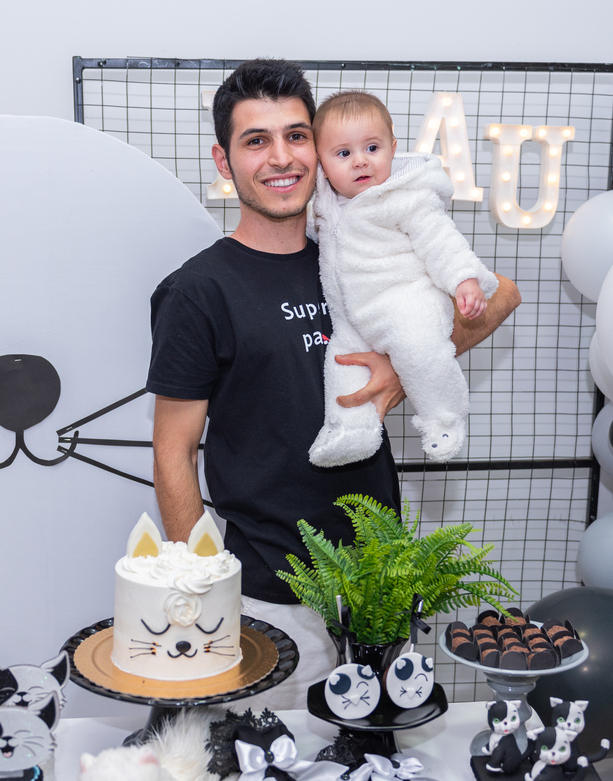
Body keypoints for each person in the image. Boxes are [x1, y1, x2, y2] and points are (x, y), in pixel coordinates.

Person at [146, 59, 521, 708]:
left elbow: (503, 294)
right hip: (269, 598)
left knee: (378, 751)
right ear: (224, 160)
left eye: (296, 136)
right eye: (256, 140)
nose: (281, 157)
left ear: (318, 149)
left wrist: (404, 366)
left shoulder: (359, 249)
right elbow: (172, 453)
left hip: (379, 586)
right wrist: (201, 595)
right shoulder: (198, 291)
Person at [307, 90, 498, 468]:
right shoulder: (324, 204)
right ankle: (351, 432)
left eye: (372, 148)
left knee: (421, 352)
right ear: (322, 165)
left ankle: (443, 417)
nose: (360, 160)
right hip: (354, 318)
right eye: (343, 153)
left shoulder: (406, 197)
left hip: (407, 303)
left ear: (392, 149)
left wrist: (464, 279)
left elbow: (440, 241)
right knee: (342, 366)